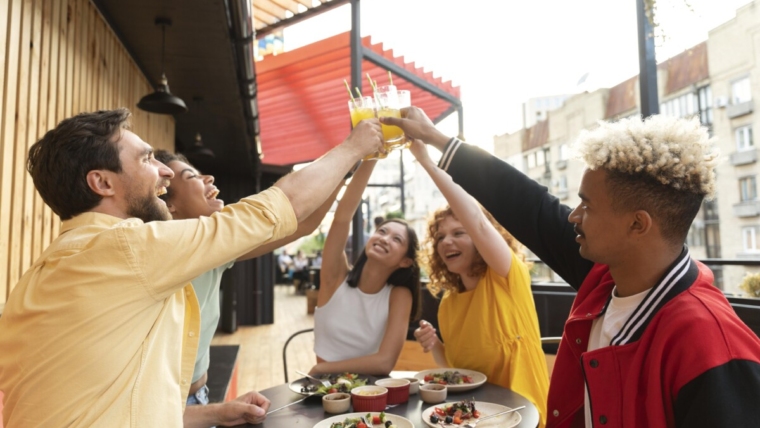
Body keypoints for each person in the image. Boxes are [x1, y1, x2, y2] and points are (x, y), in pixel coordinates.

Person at [0, 108, 382, 427]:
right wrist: (354, 146)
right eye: (147, 159)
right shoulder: (127, 248)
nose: (164, 171)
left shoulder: (44, 272)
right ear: (102, 182)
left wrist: (213, 411)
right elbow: (276, 210)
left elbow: (115, 402)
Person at [384, 109, 760, 427]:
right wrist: (434, 137)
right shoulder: (603, 277)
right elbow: (529, 204)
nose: (573, 217)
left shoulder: (711, 343)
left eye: (587, 206)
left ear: (637, 224)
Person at [153, 150, 341, 414]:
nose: (208, 177)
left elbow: (304, 225)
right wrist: (344, 157)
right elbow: (292, 209)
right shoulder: (161, 252)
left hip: (198, 397)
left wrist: (341, 174)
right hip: (162, 406)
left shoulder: (215, 249)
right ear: (168, 204)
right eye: (192, 176)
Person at [408, 139, 549, 427]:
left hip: (524, 416)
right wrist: (434, 343)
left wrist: (426, 161)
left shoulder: (506, 275)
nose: (446, 241)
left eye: (459, 232)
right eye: (440, 237)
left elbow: (478, 221)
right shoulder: (449, 303)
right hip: (475, 419)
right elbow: (456, 369)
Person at [310, 160, 421, 376]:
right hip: (325, 391)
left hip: (371, 392)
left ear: (405, 261)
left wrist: (322, 368)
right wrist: (371, 157)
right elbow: (342, 217)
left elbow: (384, 363)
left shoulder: (399, 295)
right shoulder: (335, 277)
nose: (385, 238)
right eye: (382, 231)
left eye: (396, 239)